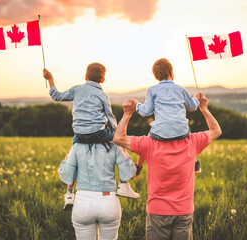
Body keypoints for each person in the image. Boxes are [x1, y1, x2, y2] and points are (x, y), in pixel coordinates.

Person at [113, 94, 222, 240]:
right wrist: (203, 108)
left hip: (157, 211)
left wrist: (127, 113)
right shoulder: (192, 142)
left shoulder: (149, 144)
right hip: (184, 210)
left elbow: (118, 138)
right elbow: (216, 131)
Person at [43, 63, 139, 211]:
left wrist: (50, 79)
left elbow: (56, 96)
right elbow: (110, 117)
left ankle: (69, 194)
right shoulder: (102, 95)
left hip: (80, 135)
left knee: (73, 155)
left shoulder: (77, 90)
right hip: (99, 133)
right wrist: (117, 134)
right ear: (103, 79)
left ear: (86, 76)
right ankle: (124, 184)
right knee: (118, 142)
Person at [132, 58, 202, 177]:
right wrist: (196, 98)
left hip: (160, 133)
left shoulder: (152, 90)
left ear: (156, 76)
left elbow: (146, 111)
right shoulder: (181, 89)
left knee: (148, 140)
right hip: (181, 132)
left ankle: (138, 167)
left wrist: (136, 105)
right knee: (188, 137)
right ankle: (195, 164)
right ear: (172, 73)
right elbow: (192, 107)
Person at [58, 141, 137, 239]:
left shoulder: (77, 146)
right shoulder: (114, 146)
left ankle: (69, 195)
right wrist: (124, 152)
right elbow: (130, 173)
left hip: (83, 202)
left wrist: (65, 161)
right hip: (109, 202)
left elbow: (67, 175)